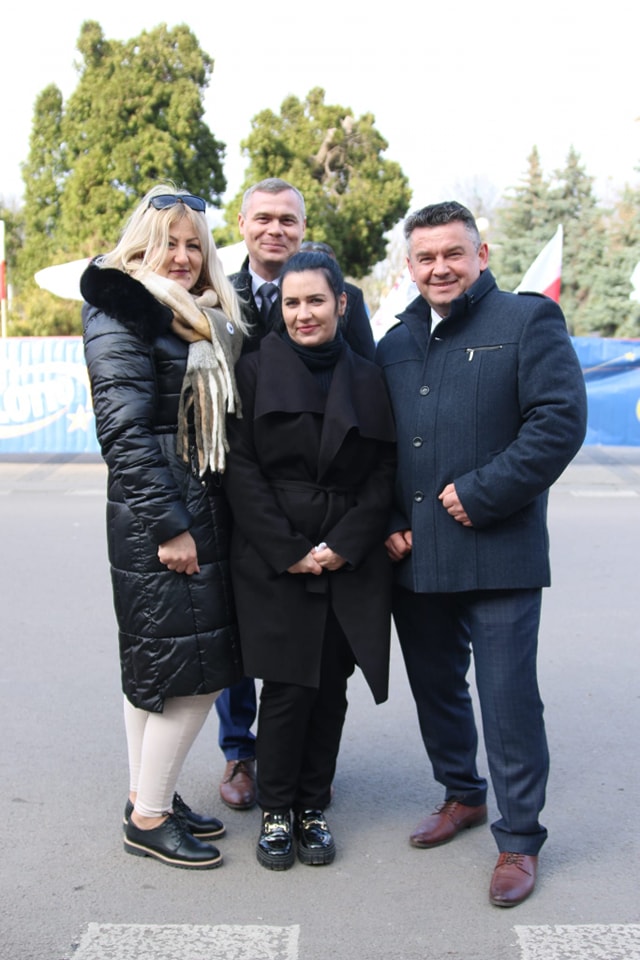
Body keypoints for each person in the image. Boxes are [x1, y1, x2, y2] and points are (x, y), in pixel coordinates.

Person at [376, 201, 587, 906]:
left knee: (507, 700)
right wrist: (387, 519)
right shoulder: (395, 342)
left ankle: (520, 838)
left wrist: (484, 491)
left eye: (453, 254)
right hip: (416, 554)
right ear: (410, 265)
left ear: (481, 255)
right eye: (426, 257)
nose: (440, 268)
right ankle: (462, 794)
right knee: (436, 689)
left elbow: (558, 422)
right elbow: (377, 445)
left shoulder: (528, 321)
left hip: (499, 550)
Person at [81, 183, 248, 870]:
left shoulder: (194, 315)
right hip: (167, 514)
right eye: (167, 243)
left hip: (189, 504)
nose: (181, 257)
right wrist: (170, 526)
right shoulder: (123, 309)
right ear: (139, 245)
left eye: (192, 246)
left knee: (157, 665)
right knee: (196, 674)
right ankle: (149, 818)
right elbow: (123, 431)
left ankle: (146, 795)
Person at [222, 251, 396, 869]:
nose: (304, 313)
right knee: (289, 686)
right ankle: (276, 809)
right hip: (276, 555)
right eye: (292, 302)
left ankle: (313, 806)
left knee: (331, 689)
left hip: (349, 554)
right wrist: (289, 549)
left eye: (316, 301)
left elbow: (384, 470)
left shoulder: (370, 377)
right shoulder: (251, 370)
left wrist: (346, 544)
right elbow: (240, 469)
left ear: (341, 304)